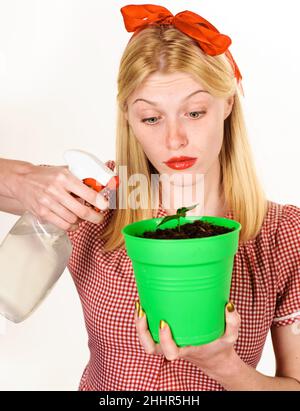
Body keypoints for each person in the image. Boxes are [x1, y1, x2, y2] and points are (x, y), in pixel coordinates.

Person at [1, 4, 299, 391]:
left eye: (194, 112)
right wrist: (24, 179)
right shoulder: (102, 195)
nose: (174, 139)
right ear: (128, 117)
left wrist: (226, 367)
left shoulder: (284, 235)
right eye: (151, 118)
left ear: (227, 103)